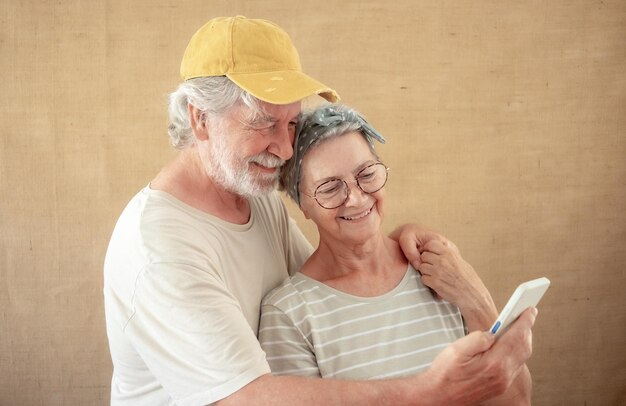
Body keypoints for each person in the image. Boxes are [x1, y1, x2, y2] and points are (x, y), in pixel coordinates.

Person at [103, 15, 537, 405]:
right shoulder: (160, 248)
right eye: (263, 123)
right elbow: (242, 399)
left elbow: (333, 266)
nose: (286, 147)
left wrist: (408, 242)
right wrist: (429, 391)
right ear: (200, 119)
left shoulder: (254, 196)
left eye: (291, 123)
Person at [259, 104, 531, 404]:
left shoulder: (440, 269)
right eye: (330, 188)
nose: (357, 198)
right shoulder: (289, 315)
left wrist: (475, 298)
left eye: (366, 173)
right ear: (303, 205)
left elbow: (517, 400)